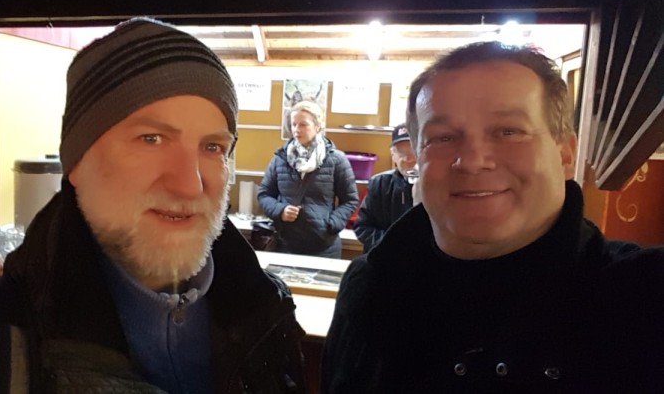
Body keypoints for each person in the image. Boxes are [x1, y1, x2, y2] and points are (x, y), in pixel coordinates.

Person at [0, 18, 307, 393]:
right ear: (76, 163)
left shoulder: (267, 311)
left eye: (212, 147)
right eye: (151, 139)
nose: (189, 183)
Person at [321, 41, 664, 393]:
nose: (471, 160)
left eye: (508, 132)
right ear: (417, 160)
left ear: (565, 155)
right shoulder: (369, 287)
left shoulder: (644, 297)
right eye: (443, 137)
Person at [258, 101, 359, 259]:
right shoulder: (280, 158)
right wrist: (280, 210)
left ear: (317, 126)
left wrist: (331, 224)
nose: (297, 130)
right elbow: (264, 194)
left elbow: (350, 200)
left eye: (303, 124)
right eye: (294, 124)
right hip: (286, 245)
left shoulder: (336, 160)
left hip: (325, 247)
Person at [353, 123, 416, 253]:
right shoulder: (379, 183)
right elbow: (362, 227)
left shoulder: (439, 186)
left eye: (413, 151)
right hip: (382, 257)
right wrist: (394, 244)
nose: (408, 159)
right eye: (401, 152)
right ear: (393, 154)